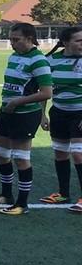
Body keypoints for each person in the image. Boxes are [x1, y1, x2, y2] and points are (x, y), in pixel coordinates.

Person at [0, 22, 52, 215]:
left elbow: (46, 92)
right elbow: (10, 88)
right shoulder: (14, 56)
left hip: (25, 114)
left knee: (21, 158)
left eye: (16, 39)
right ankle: (6, 195)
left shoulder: (39, 60)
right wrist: (2, 109)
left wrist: (18, 102)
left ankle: (22, 204)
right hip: (7, 112)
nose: (12, 43)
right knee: (0, 153)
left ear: (29, 38)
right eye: (11, 39)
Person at [39, 26, 82, 213]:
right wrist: (42, 114)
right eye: (79, 41)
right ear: (66, 42)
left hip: (79, 113)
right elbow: (43, 89)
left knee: (78, 153)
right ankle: (63, 193)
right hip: (58, 112)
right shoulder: (50, 61)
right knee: (60, 152)